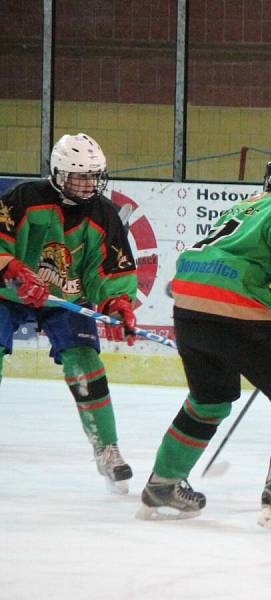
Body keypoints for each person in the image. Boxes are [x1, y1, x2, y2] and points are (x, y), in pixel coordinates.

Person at [137, 151, 271, 534]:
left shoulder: (247, 205)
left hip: (189, 306)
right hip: (235, 308)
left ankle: (163, 483)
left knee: (209, 401)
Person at [0, 133, 138, 493]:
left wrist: (118, 303)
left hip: (65, 298)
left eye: (94, 176)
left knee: (85, 361)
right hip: (9, 291)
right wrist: (11, 268)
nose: (89, 184)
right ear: (58, 174)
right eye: (80, 177)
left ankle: (106, 447)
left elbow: (112, 273)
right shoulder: (24, 198)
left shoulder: (104, 214)